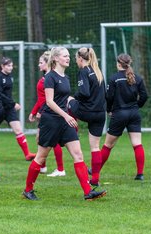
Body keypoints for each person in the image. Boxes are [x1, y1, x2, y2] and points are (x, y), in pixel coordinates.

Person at [22, 47, 106, 201]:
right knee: (41, 157)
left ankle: (88, 192)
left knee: (78, 154)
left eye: (69, 56)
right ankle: (28, 190)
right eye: (65, 56)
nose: (68, 58)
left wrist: (69, 115)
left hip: (64, 121)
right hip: (51, 121)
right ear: (55, 59)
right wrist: (67, 115)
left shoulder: (66, 78)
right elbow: (49, 101)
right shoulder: (50, 77)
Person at [98, 53, 148, 182]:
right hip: (134, 114)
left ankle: (95, 170)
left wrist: (109, 110)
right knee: (137, 144)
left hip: (119, 114)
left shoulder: (114, 78)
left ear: (118, 64)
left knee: (108, 145)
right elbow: (144, 96)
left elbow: (109, 97)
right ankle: (140, 174)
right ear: (129, 63)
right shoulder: (137, 78)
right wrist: (137, 106)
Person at [67, 47, 106, 186]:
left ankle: (70, 132)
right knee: (95, 147)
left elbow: (84, 93)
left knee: (68, 101)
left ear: (80, 58)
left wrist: (73, 97)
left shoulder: (84, 71)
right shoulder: (98, 72)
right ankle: (95, 179)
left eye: (76, 58)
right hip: (100, 114)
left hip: (87, 112)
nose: (76, 61)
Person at [29, 51, 66, 177]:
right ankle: (44, 167)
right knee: (44, 141)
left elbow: (46, 101)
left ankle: (59, 169)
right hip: (47, 113)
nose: (39, 65)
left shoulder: (48, 79)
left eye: (41, 62)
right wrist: (34, 111)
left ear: (47, 63)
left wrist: (38, 112)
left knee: (48, 141)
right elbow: (42, 99)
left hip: (48, 115)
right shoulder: (48, 78)